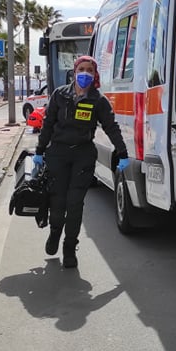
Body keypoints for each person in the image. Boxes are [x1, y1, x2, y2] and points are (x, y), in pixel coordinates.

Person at [32, 55, 129, 268]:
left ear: (95, 75)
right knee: (58, 201)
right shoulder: (60, 95)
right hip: (58, 154)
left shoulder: (98, 100)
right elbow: (47, 124)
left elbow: (111, 127)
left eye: (90, 70)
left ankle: (69, 248)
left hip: (83, 155)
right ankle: (55, 232)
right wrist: (39, 151)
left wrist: (122, 153)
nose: (85, 73)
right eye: (81, 69)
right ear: (74, 72)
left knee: (74, 203)